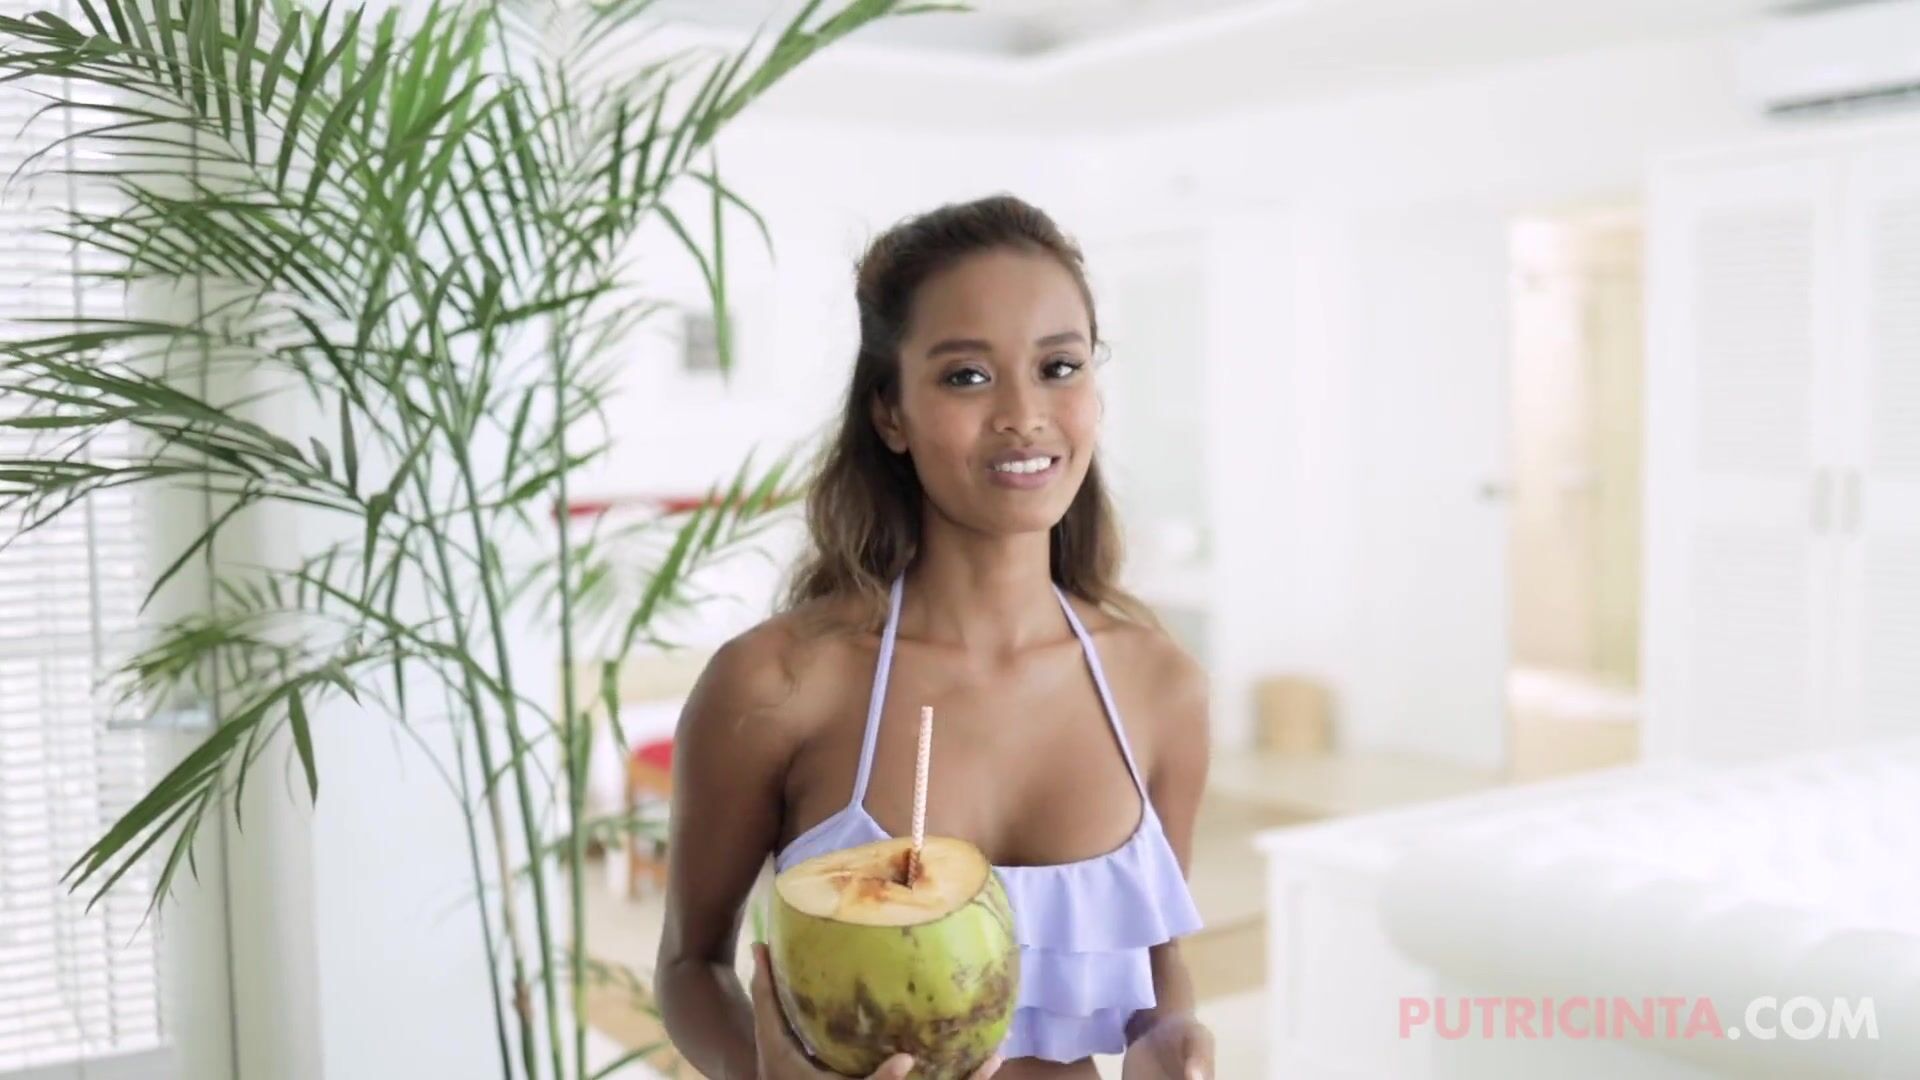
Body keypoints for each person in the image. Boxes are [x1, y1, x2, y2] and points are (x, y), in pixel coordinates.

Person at [655, 194, 1215, 1080]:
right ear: (890, 412)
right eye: (967, 376)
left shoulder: (1160, 685)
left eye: (1059, 366)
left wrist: (1167, 1038)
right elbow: (691, 965)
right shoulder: (777, 684)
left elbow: (1155, 956)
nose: (1024, 414)